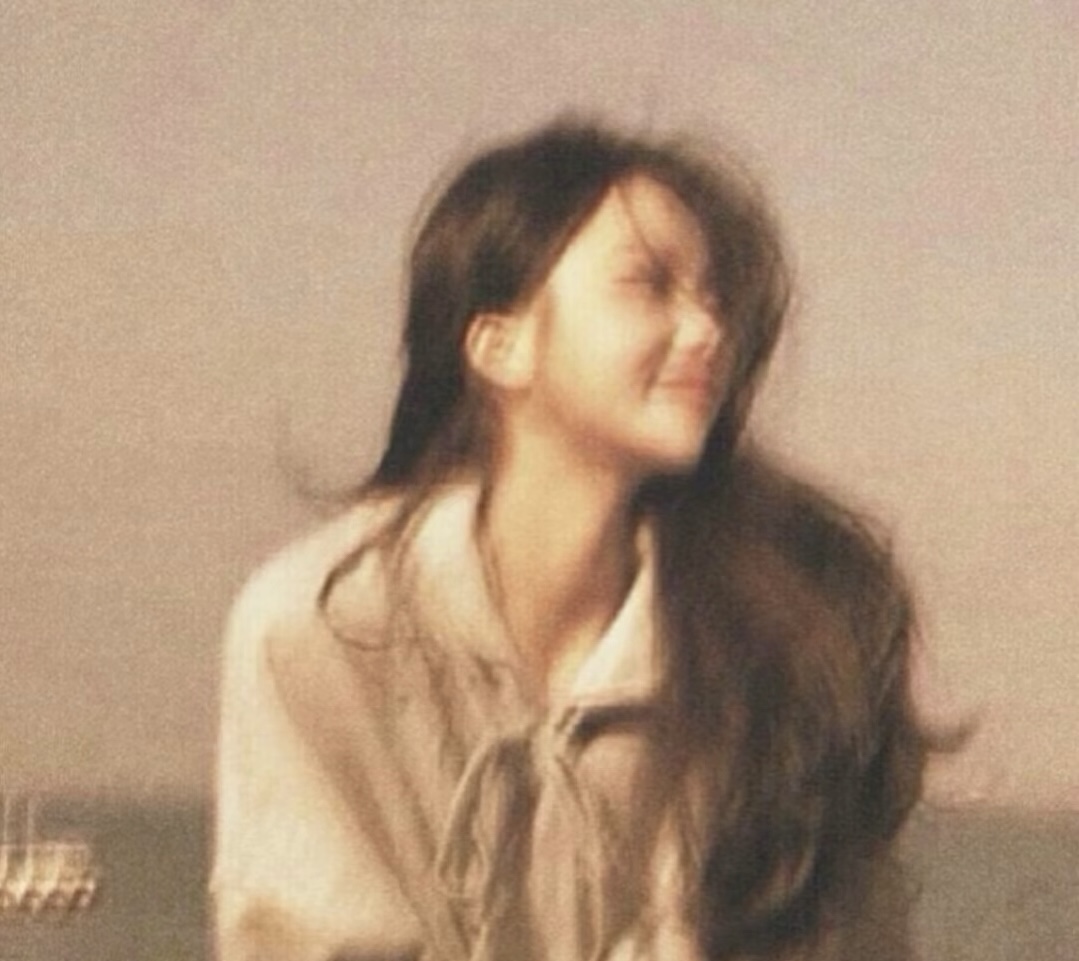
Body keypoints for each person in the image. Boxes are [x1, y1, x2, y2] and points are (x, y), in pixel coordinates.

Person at [211, 119, 931, 961]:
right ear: (499, 344)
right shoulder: (321, 625)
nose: (705, 331)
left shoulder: (791, 639)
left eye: (711, 299)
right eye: (647, 285)